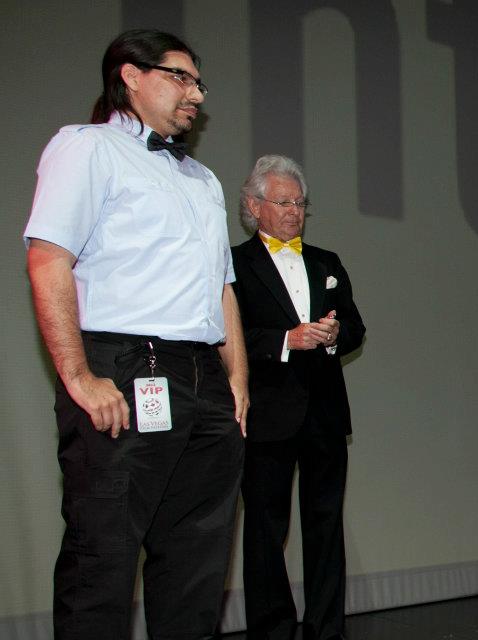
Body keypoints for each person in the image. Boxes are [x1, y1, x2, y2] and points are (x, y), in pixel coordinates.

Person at [23, 29, 248, 639]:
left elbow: (221, 288)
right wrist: (78, 376)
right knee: (104, 559)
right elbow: (48, 260)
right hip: (127, 366)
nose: (196, 94)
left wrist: (238, 385)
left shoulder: (202, 179)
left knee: (198, 564)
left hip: (203, 381)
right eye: (181, 77)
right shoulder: (86, 147)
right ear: (130, 75)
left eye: (199, 82)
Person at [231, 155, 365, 640]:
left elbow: (355, 326)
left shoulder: (326, 262)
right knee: (266, 530)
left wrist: (331, 335)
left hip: (325, 415)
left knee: (326, 528)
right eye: (282, 201)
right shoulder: (234, 263)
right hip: (266, 416)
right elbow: (230, 334)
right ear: (253, 205)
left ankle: (326, 629)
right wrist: (288, 339)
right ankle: (272, 631)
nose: (293, 211)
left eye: (300, 202)